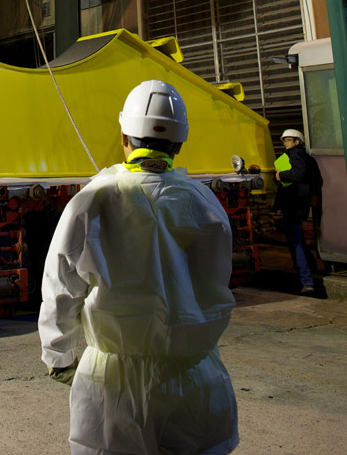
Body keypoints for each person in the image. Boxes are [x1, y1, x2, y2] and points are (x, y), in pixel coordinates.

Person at [39, 78, 238, 455]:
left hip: (113, 387)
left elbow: (62, 287)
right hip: (197, 378)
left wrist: (58, 355)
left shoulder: (93, 200)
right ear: (179, 144)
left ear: (124, 136)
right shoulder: (206, 203)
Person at [274, 128, 321, 296]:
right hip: (300, 205)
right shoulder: (309, 158)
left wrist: (280, 176)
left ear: (297, 142)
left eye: (288, 140)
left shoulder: (294, 155)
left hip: (293, 205)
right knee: (298, 240)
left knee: (296, 242)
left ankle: (306, 282)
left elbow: (297, 174)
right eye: (284, 140)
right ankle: (310, 276)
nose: (285, 143)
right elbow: (316, 179)